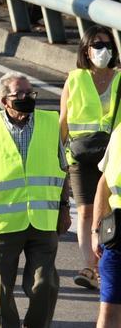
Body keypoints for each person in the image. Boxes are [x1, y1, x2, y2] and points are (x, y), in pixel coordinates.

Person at [0, 71, 69, 328]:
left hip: (43, 220)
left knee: (46, 285)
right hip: (2, 222)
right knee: (0, 291)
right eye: (19, 94)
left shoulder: (49, 123)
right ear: (3, 101)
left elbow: (62, 169)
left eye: (30, 93)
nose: (26, 97)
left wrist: (64, 208)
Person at [62, 26, 120, 290]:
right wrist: (57, 156)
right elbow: (63, 120)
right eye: (96, 45)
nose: (103, 50)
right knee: (85, 211)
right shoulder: (74, 79)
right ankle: (90, 266)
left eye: (107, 44)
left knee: (108, 209)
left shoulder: (120, 79)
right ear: (85, 49)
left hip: (113, 154)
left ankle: (104, 261)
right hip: (80, 154)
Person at [94, 131, 121, 325]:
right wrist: (96, 230)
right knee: (108, 308)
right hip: (117, 237)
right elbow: (104, 183)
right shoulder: (120, 133)